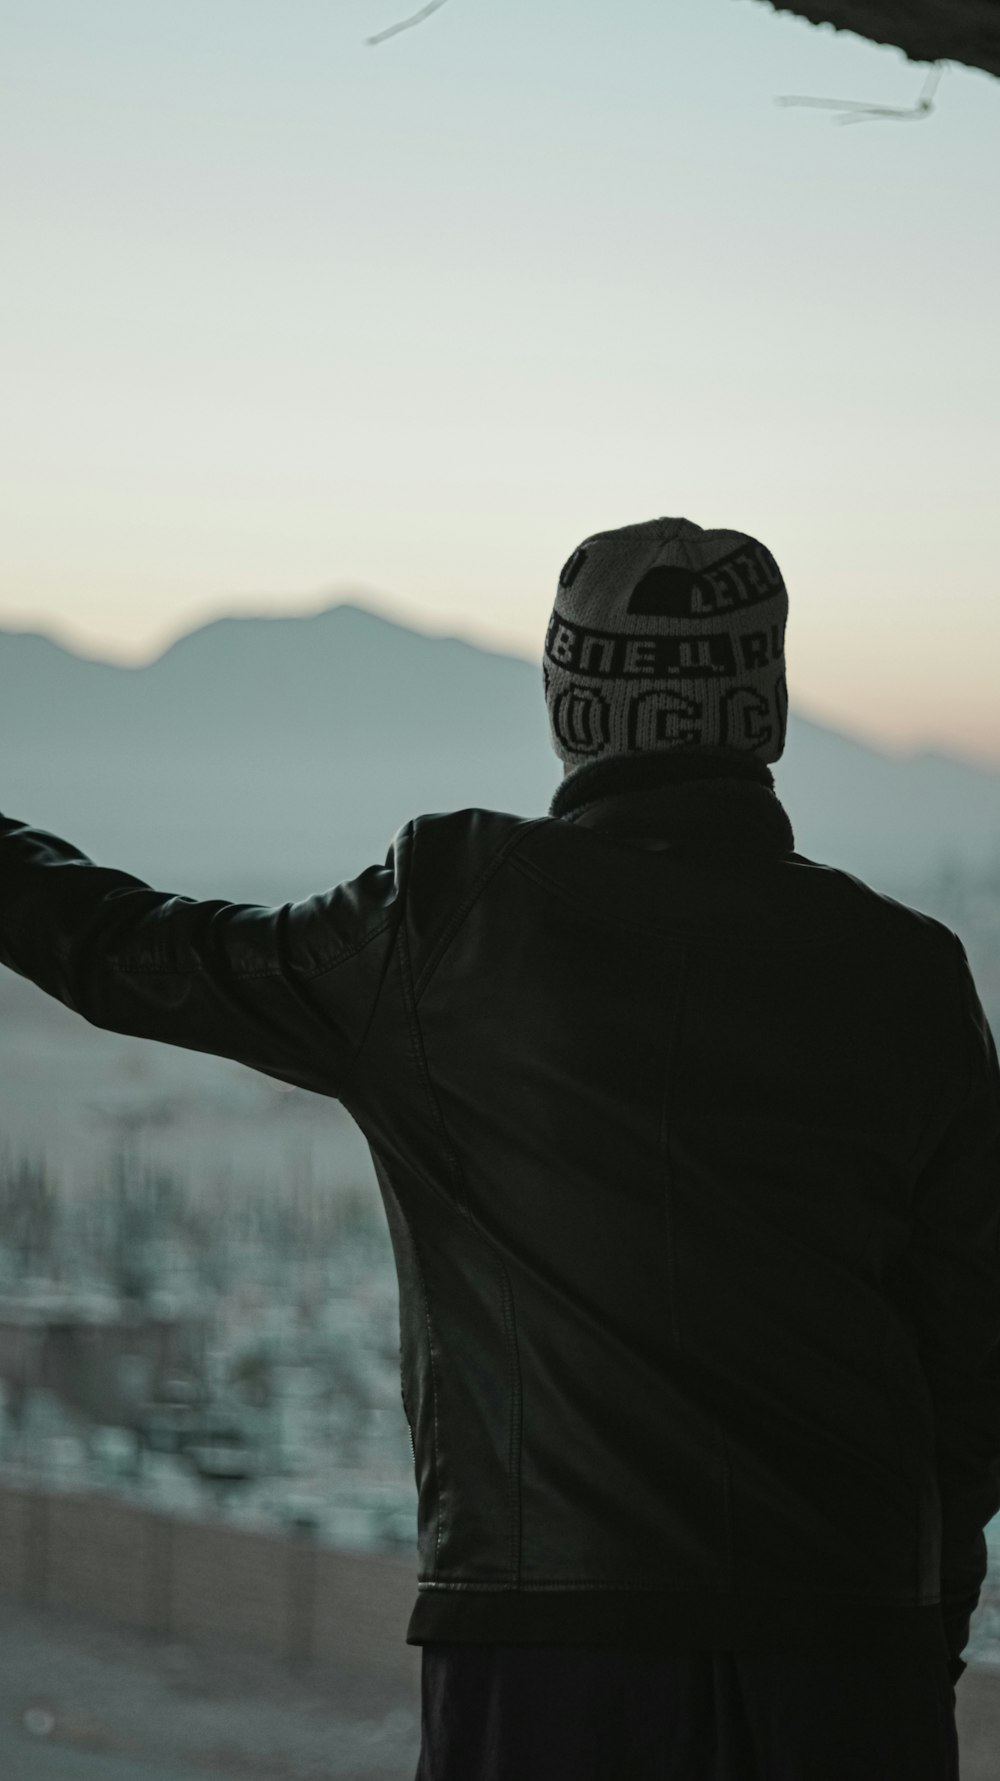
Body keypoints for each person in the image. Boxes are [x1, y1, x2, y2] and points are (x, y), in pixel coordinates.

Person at [0, 515, 995, 1780]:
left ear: (570, 705)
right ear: (767, 709)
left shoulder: (454, 916)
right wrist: (916, 1626)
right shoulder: (908, 972)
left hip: (552, 1657)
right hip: (849, 1655)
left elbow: (128, 951)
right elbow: (974, 1360)